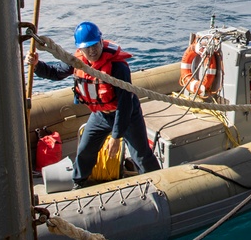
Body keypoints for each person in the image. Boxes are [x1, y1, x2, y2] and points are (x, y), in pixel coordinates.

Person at [27, 21, 160, 188]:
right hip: (100, 115)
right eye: (87, 47)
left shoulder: (118, 67)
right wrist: (37, 65)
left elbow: (125, 103)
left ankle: (157, 181)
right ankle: (79, 183)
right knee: (85, 150)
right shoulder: (77, 60)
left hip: (126, 114)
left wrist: (116, 136)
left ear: (101, 41)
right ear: (80, 48)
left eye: (95, 45)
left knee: (141, 155)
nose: (92, 51)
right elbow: (55, 73)